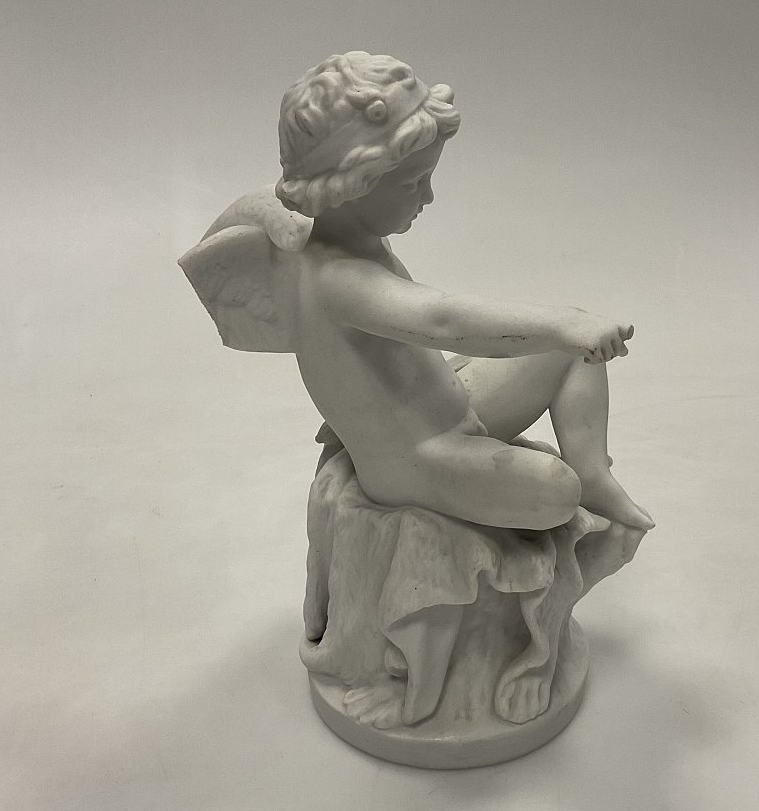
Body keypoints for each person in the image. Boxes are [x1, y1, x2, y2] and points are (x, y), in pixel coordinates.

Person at [186, 51, 654, 535]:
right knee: (556, 490)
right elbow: (442, 320)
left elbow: (264, 201)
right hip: (418, 459)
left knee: (571, 351)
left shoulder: (345, 238)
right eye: (413, 183)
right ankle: (569, 487)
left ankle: (595, 476)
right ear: (352, 186)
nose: (427, 197)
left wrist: (567, 328)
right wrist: (561, 324)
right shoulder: (338, 279)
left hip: (452, 407)